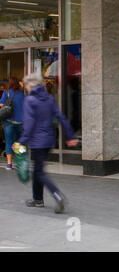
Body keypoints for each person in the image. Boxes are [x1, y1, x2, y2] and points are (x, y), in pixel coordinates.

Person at [14, 73, 78, 214]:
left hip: (37, 141)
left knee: (39, 172)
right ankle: (37, 199)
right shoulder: (48, 98)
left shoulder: (30, 100)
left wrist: (21, 142)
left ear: (30, 85)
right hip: (49, 140)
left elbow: (29, 124)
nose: (25, 88)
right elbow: (61, 116)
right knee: (37, 170)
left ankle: (57, 195)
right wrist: (70, 135)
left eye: (25, 85)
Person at [0, 77, 25, 170]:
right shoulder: (22, 94)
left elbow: (1, 104)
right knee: (18, 142)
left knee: (9, 141)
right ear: (18, 84)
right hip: (19, 122)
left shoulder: (6, 92)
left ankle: (9, 164)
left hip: (8, 122)